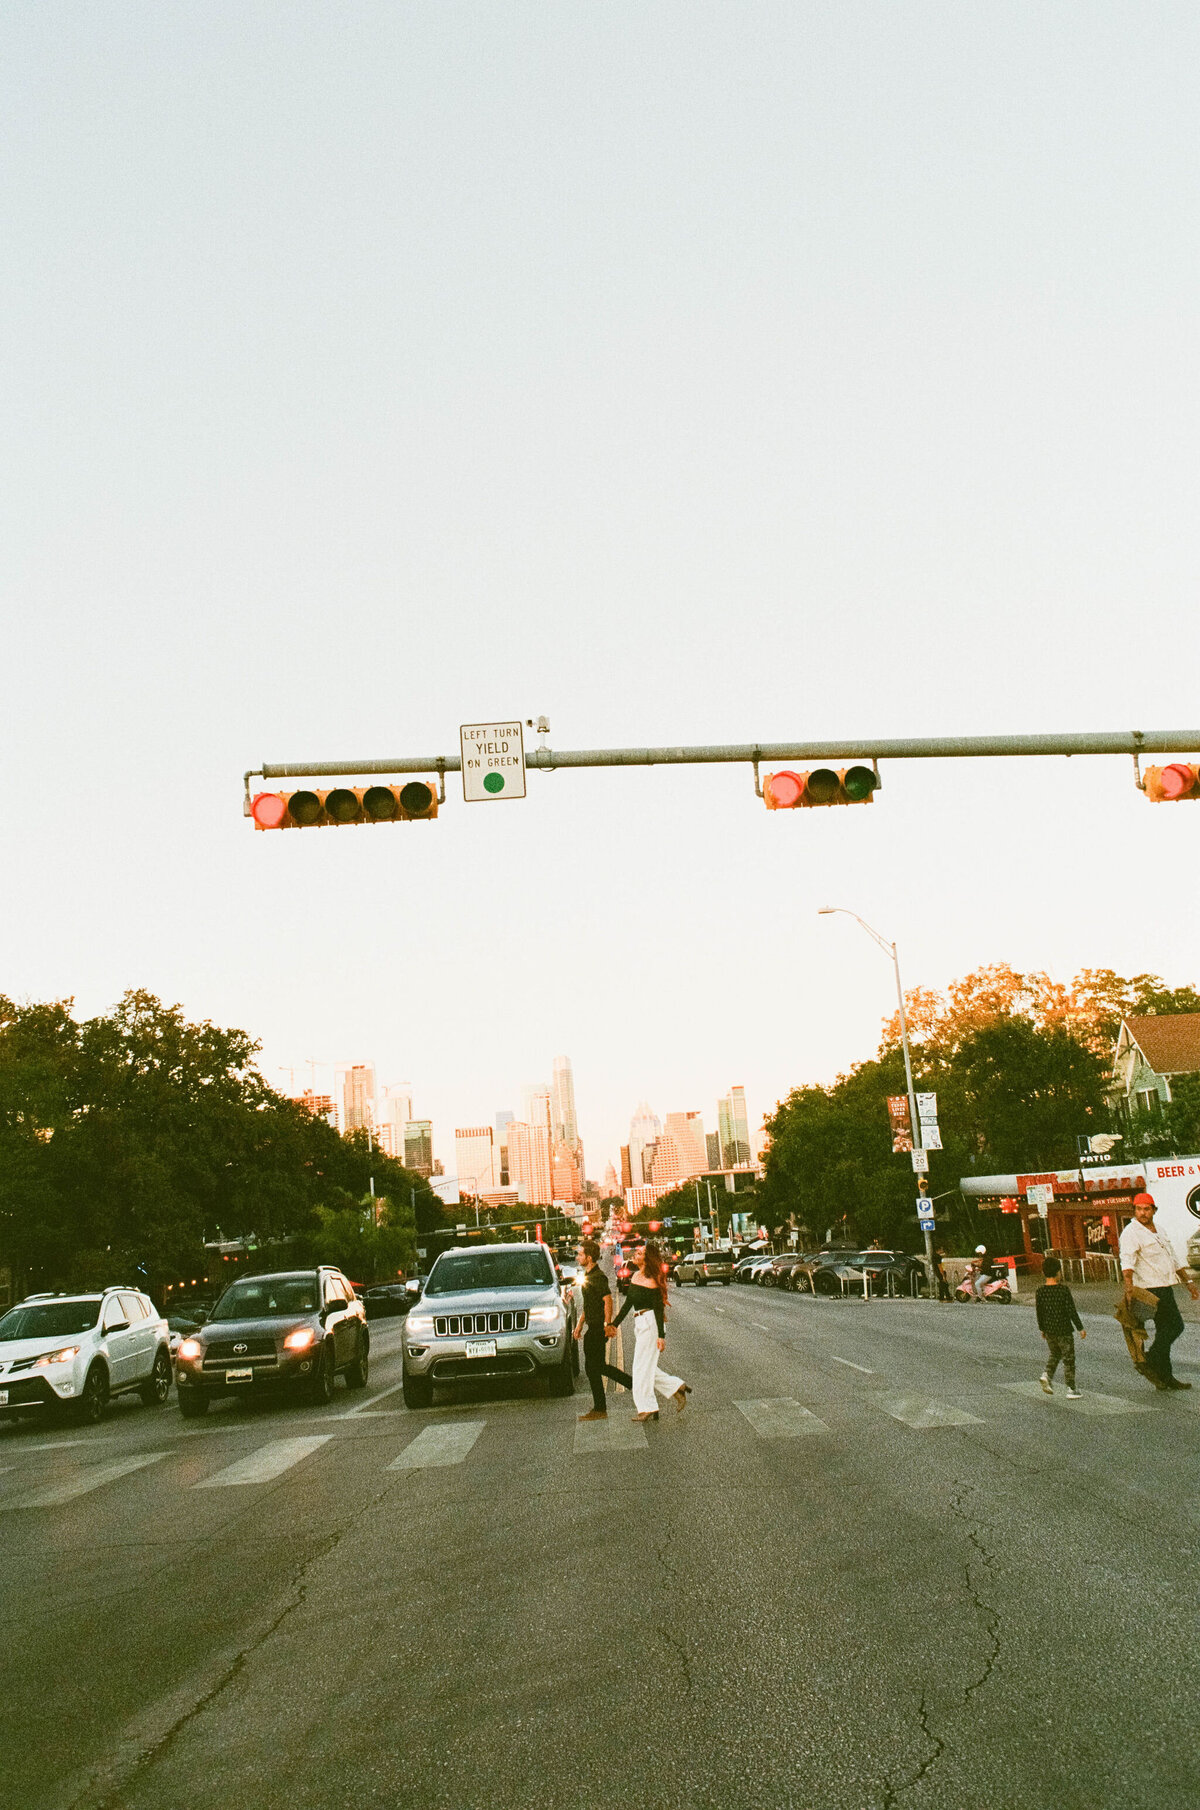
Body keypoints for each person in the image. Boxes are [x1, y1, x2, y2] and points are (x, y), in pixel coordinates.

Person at [1119, 1193, 1199, 1392]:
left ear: (1154, 1210)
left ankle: (1164, 1376)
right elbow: (1127, 1261)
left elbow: (1173, 1257)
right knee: (1175, 1326)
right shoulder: (1131, 1232)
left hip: (1165, 1287)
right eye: (1139, 1209)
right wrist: (1128, 1287)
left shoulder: (1159, 1230)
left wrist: (1188, 1282)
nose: (1143, 1213)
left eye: (1147, 1209)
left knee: (1165, 1330)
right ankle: (1153, 1358)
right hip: (1149, 1289)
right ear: (1134, 1211)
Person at [611, 1239, 691, 1421]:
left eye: (639, 1253)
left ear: (646, 1259)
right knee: (646, 1368)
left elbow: (658, 1308)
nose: (635, 1254)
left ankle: (647, 1407)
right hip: (639, 1323)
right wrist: (614, 1324)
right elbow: (628, 1304)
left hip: (650, 1324)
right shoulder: (635, 1276)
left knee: (640, 1368)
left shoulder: (652, 1280)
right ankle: (677, 1387)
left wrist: (661, 1337)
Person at [573, 1239, 632, 1422]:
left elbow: (608, 1300)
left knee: (594, 1368)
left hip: (598, 1328)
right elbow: (589, 1304)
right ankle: (602, 1406)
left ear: (589, 1257)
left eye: (580, 1254)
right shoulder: (589, 1276)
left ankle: (602, 1407)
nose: (577, 1257)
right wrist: (579, 1325)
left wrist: (608, 1325)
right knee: (596, 1368)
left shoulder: (598, 1277)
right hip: (592, 1326)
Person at [1035, 1255, 1085, 1397]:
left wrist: (1042, 1328)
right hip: (1064, 1330)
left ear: (1044, 1273)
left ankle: (1047, 1375)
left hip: (1049, 1329)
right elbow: (1071, 1311)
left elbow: (1040, 1312)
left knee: (1055, 1354)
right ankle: (1071, 1388)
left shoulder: (1040, 1291)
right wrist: (1080, 1327)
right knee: (1068, 1358)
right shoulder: (1063, 1290)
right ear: (1058, 1272)